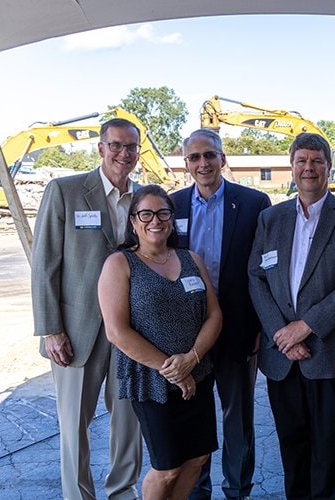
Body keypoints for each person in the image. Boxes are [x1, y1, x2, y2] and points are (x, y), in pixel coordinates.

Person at [248, 132, 335, 499]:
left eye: (317, 161)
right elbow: (256, 277)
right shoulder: (271, 219)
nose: (309, 168)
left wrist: (305, 327)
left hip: (331, 353)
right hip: (282, 357)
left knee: (332, 450)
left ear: (329, 168)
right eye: (301, 160)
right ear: (291, 167)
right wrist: (281, 334)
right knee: (293, 445)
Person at [31, 118, 144, 499]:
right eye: (116, 145)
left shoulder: (143, 200)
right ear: (100, 148)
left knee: (129, 422)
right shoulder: (66, 191)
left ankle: (123, 492)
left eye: (131, 147)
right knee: (73, 427)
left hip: (129, 331)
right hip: (76, 332)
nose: (123, 154)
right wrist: (51, 329)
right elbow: (44, 264)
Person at [98, 185, 222, 498]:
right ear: (134, 221)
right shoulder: (120, 264)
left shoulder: (191, 259)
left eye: (164, 213)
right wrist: (173, 370)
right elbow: (117, 332)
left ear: (172, 219)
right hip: (152, 382)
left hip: (198, 375)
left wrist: (191, 360)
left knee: (197, 458)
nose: (156, 220)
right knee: (167, 468)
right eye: (147, 214)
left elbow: (214, 315)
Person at [170, 129, 271, 500]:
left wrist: (261, 324)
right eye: (194, 158)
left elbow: (263, 270)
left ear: (223, 159)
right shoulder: (172, 205)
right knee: (195, 415)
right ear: (186, 165)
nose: (203, 163)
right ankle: (199, 491)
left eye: (209, 155)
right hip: (187, 332)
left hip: (238, 328)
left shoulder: (254, 203)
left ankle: (237, 490)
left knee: (237, 417)